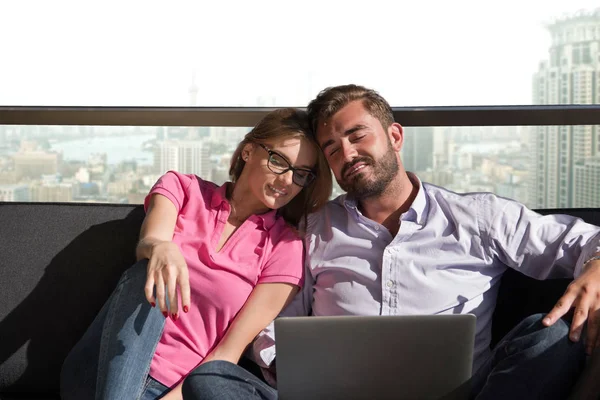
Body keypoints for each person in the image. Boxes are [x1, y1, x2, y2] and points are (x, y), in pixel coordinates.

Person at [180, 85, 600, 400]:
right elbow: (274, 328)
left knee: (551, 336)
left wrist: (596, 269)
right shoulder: (312, 230)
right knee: (210, 379)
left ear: (395, 136)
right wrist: (297, 373)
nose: (347, 153)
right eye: (332, 147)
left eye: (358, 135)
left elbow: (586, 241)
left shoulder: (480, 217)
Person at [60, 107, 332, 400]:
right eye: (279, 161)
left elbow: (227, 353)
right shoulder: (183, 188)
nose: (288, 181)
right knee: (148, 269)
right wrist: (161, 247)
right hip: (99, 370)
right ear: (248, 151)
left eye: (301, 174)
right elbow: (149, 241)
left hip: (172, 391)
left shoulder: (285, 247)